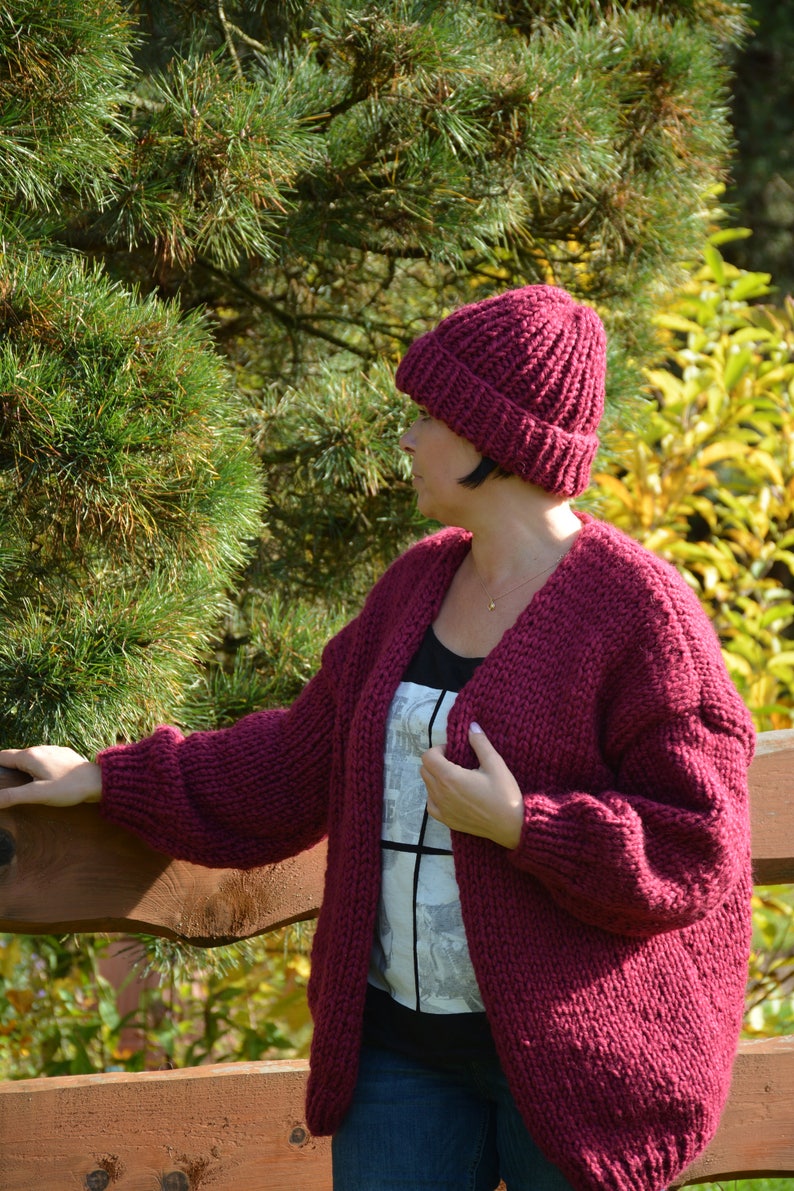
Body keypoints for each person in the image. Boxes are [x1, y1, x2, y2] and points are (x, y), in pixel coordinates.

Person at [0, 286, 755, 1191]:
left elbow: (698, 841)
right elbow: (289, 763)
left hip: (573, 1059)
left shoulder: (642, 613)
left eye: (427, 415)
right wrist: (106, 778)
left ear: (489, 439)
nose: (406, 437)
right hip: (400, 1051)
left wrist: (526, 826)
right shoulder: (416, 584)